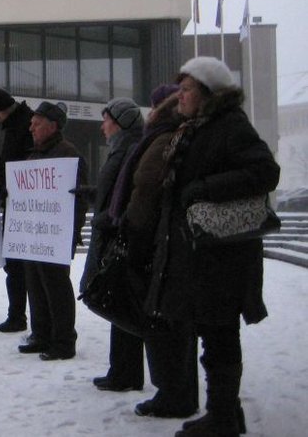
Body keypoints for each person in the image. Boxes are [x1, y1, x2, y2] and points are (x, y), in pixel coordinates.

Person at [153, 57, 279, 437]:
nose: (180, 97)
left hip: (223, 255)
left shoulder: (231, 126)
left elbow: (265, 172)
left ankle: (222, 416)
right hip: (203, 253)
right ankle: (226, 412)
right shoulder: (199, 127)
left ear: (208, 92)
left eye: (187, 89)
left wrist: (206, 188)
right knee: (213, 334)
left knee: (219, 337)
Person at [105, 85, 199, 419]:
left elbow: (145, 187)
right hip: (159, 238)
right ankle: (175, 390)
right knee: (166, 319)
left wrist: (131, 229)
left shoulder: (164, 138)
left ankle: (174, 393)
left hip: (155, 240)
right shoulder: (165, 136)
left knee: (162, 319)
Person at [77, 98, 145, 391]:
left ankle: (125, 373)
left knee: (120, 302)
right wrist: (90, 194)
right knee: (119, 302)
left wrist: (105, 217)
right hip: (111, 233)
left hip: (119, 237)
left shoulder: (130, 151)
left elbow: (128, 198)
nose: (102, 127)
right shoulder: (120, 150)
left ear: (118, 123)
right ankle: (121, 370)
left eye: (105, 121)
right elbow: (112, 194)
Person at [17, 102, 88, 361]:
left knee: (55, 286)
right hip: (34, 232)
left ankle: (63, 340)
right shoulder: (34, 154)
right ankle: (41, 334)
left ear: (53, 125)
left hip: (55, 234)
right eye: (31, 123)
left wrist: (72, 230)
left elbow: (78, 198)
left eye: (37, 123)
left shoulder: (68, 154)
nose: (31, 128)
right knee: (35, 284)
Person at [0, 88, 33, 333]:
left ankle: (18, 316)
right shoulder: (17, 124)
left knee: (16, 264)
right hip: (17, 200)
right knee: (16, 264)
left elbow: (13, 161)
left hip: (22, 204)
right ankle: (18, 316)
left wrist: (1, 181)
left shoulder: (20, 126)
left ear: (3, 110)